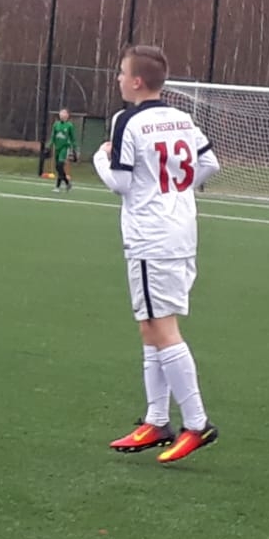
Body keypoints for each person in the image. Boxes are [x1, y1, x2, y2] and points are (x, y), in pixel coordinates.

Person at [93, 44, 223, 464]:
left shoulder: (126, 120)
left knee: (162, 328)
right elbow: (209, 163)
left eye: (121, 73)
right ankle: (156, 419)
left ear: (136, 81)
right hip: (180, 230)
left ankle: (197, 424)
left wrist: (100, 158)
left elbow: (120, 183)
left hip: (152, 236)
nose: (118, 79)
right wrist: (174, 190)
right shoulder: (181, 118)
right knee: (150, 325)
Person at [49, 108, 79, 192]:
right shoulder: (56, 125)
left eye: (64, 113)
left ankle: (57, 186)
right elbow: (53, 136)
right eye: (61, 113)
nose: (62, 115)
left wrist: (75, 149)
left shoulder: (69, 125)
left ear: (67, 116)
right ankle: (67, 183)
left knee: (60, 165)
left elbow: (73, 138)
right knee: (58, 167)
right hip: (57, 148)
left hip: (64, 148)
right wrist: (49, 146)